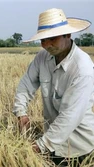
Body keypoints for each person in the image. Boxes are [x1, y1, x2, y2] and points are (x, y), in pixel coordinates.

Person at [12, 8, 94, 166]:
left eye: (52, 38)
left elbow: (69, 117)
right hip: (52, 144)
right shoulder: (42, 57)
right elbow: (26, 83)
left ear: (68, 35)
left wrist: (39, 146)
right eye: (43, 40)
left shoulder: (82, 70)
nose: (47, 45)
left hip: (78, 148)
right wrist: (21, 112)